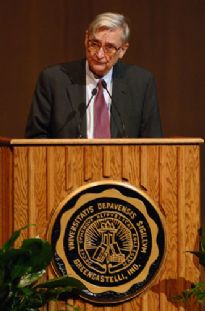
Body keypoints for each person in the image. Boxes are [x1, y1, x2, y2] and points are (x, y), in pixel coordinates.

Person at [25, 12, 162, 138]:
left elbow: (153, 143)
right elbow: (36, 138)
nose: (99, 54)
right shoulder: (54, 80)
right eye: (94, 44)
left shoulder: (141, 83)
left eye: (109, 47)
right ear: (86, 39)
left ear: (122, 50)